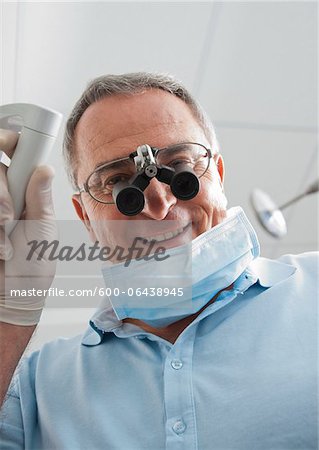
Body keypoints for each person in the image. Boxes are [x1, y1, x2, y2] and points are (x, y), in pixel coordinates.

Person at [0, 73, 317, 449]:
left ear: (216, 173)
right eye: (118, 181)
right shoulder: (34, 390)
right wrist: (9, 319)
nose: (160, 204)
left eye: (180, 166)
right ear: (84, 217)